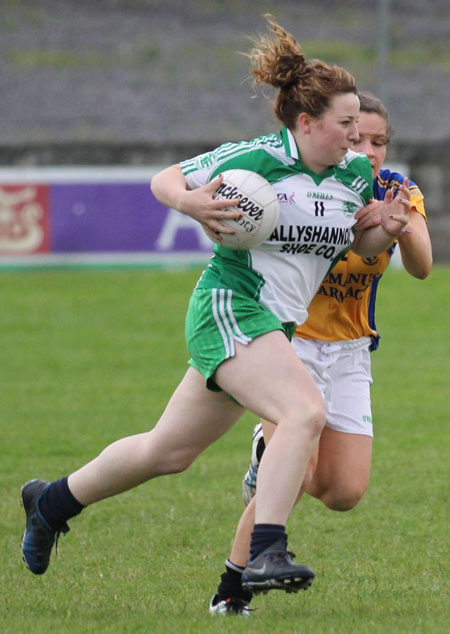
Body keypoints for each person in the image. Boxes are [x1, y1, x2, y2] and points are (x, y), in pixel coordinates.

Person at [20, 15, 410, 602]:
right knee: (304, 410)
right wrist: (192, 203)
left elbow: (358, 245)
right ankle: (264, 551)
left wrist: (389, 229)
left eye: (360, 125)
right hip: (230, 305)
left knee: (167, 451)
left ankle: (49, 503)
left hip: (270, 324)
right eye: (346, 124)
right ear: (307, 122)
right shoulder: (257, 159)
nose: (357, 137)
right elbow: (165, 179)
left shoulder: (353, 177)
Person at [210, 91, 432, 616]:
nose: (370, 150)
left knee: (343, 492)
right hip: (292, 343)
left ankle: (266, 465)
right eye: (358, 139)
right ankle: (230, 593)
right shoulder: (323, 189)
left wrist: (398, 223)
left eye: (379, 141)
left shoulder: (396, 190)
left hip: (353, 350)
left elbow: (423, 266)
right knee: (293, 475)